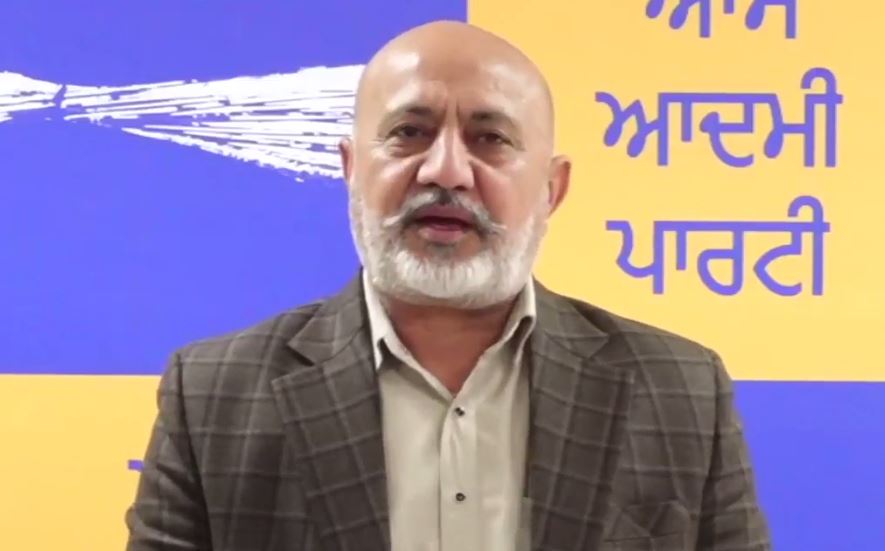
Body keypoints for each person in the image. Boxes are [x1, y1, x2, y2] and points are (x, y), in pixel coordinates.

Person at [125, 20, 771, 551]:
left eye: (491, 138)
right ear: (351, 168)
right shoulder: (212, 395)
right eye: (409, 133)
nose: (446, 170)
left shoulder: (682, 390)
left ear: (552, 189)